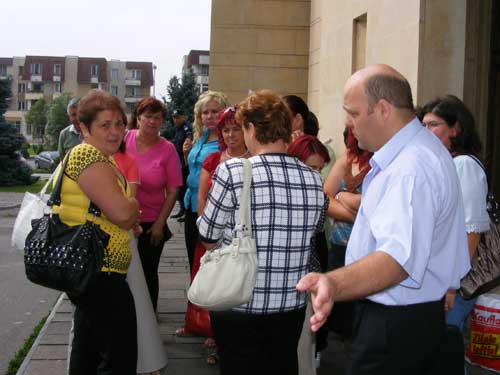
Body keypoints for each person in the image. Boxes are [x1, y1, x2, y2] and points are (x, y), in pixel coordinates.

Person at [296, 64, 470, 375]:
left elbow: (396, 260)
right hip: (407, 321)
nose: (348, 123)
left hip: (396, 325)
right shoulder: (416, 154)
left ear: (383, 109)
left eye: (353, 112)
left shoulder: (410, 167)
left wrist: (333, 283)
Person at [198, 90, 325, 375]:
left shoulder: (232, 171)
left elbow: (207, 234)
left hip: (238, 301)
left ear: (251, 128)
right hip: (290, 304)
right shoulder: (314, 179)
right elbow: (314, 233)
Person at [53, 89, 140, 374]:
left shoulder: (100, 158)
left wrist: (126, 211)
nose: (115, 132)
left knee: (88, 350)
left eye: (119, 124)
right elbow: (123, 214)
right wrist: (132, 206)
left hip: (93, 272)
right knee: (117, 357)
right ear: (83, 128)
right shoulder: (88, 158)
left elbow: (108, 210)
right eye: (105, 125)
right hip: (100, 274)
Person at [176, 105, 250, 365]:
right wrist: (206, 232)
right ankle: (215, 337)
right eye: (226, 130)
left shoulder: (255, 158)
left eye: (236, 129)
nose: (231, 135)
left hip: (243, 234)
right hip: (214, 234)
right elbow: (202, 197)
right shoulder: (213, 159)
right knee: (215, 285)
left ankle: (228, 340)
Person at [418, 96, 490, 358]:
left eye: (433, 125)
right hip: (446, 277)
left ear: (455, 128)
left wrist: (451, 285)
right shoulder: (446, 162)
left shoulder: (464, 165)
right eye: (423, 125)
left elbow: (471, 231)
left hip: (457, 282)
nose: (426, 131)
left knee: (445, 349)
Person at [125, 97, 182, 312]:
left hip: (150, 222)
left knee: (148, 272)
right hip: (121, 218)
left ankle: (148, 318)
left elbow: (173, 190)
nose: (152, 122)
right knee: (121, 273)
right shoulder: (124, 140)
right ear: (138, 118)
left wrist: (159, 224)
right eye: (148, 116)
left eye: (157, 118)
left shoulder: (167, 150)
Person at [288, 134, 331, 374]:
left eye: (320, 169)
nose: (316, 174)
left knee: (305, 340)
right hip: (289, 272)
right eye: (311, 167)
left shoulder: (319, 195)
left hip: (308, 271)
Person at [182, 90, 229, 273]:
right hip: (191, 204)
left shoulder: (224, 141)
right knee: (192, 258)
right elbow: (196, 169)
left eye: (215, 111)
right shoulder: (200, 138)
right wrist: (187, 155)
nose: (210, 116)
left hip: (210, 207)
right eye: (205, 112)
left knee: (207, 262)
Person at [170, 109, 193, 221]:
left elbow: (189, 139)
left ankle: (186, 211)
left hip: (185, 162)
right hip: (178, 162)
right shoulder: (178, 129)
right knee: (180, 188)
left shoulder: (186, 127)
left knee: (184, 187)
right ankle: (182, 210)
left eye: (178, 117)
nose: (175, 119)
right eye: (174, 117)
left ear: (183, 117)